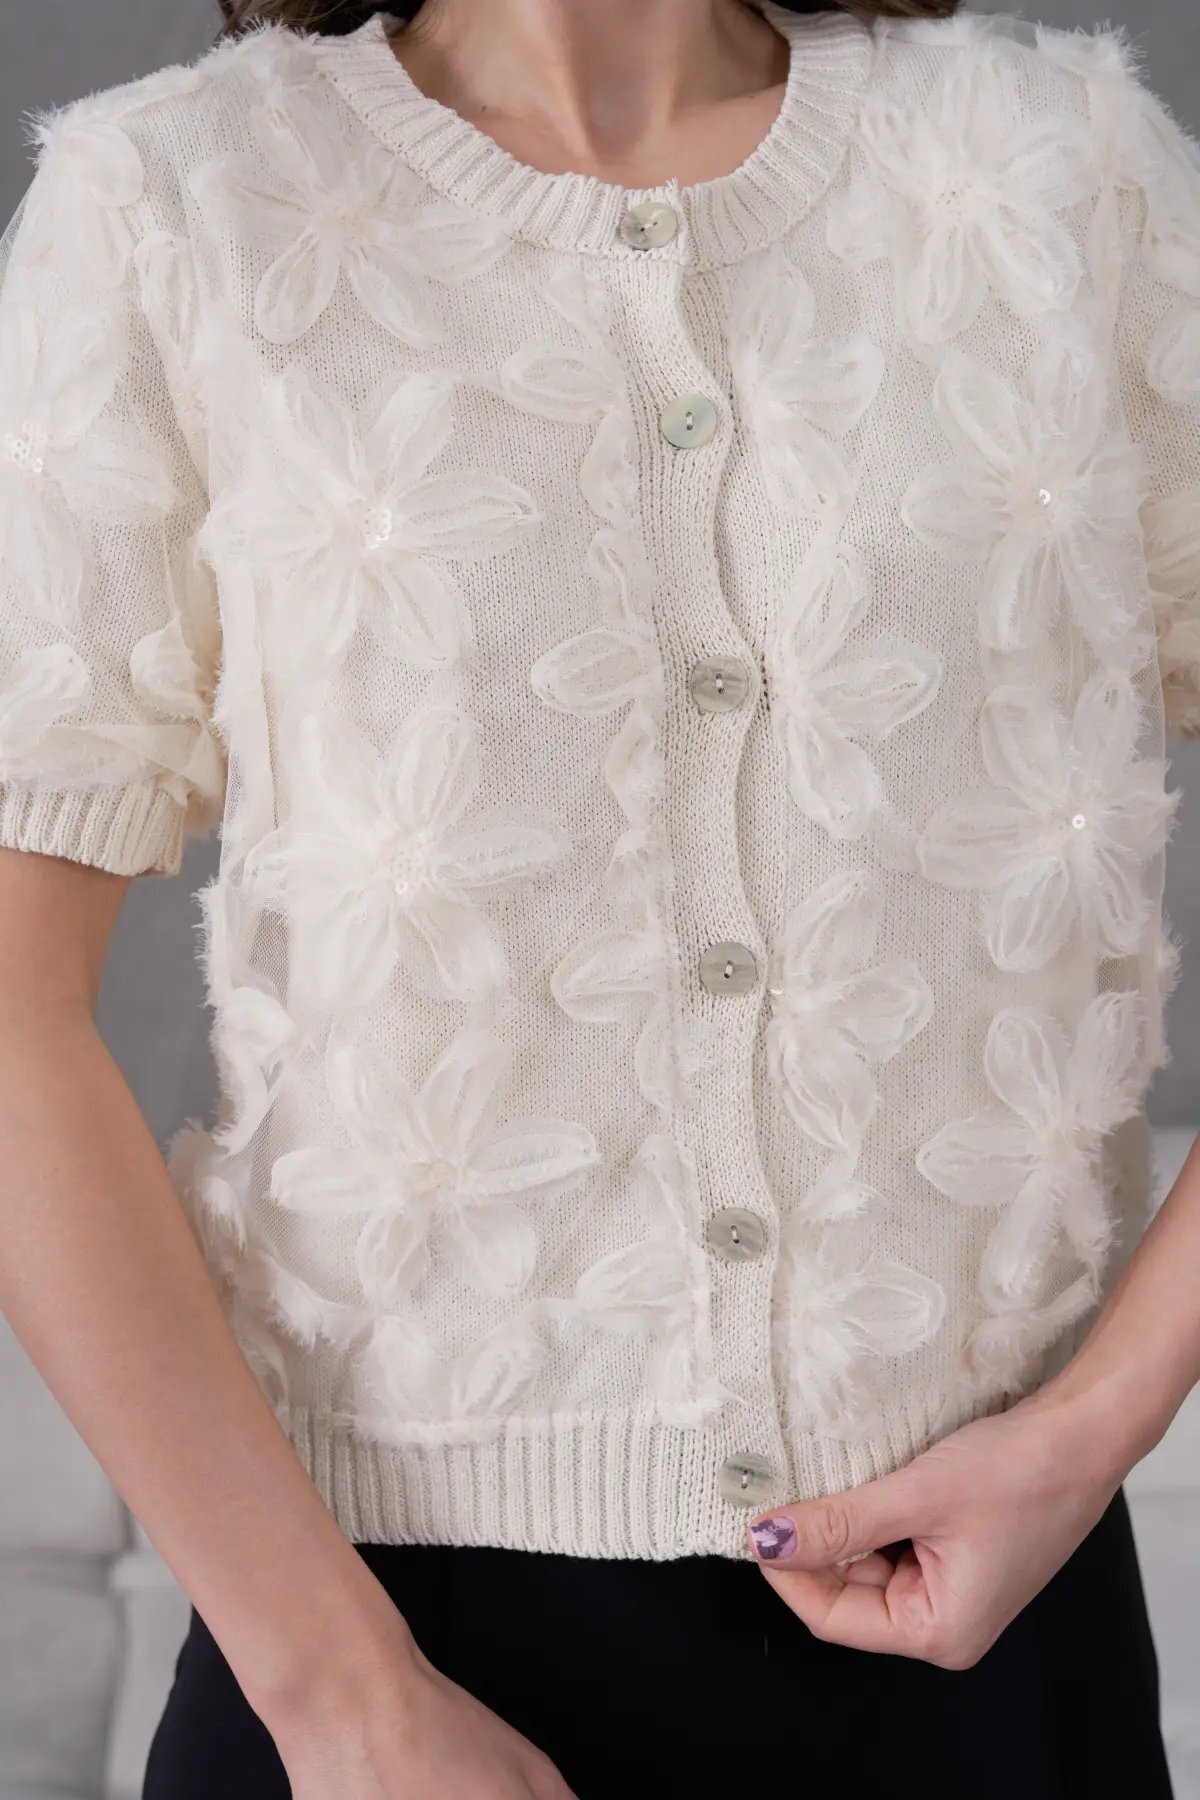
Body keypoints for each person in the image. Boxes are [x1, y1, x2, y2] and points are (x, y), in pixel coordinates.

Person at [0, 0, 1197, 1792]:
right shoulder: (182, 196)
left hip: (994, 1634)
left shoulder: (1059, 174)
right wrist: (345, 1702)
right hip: (381, 1660)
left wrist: (1094, 1429)